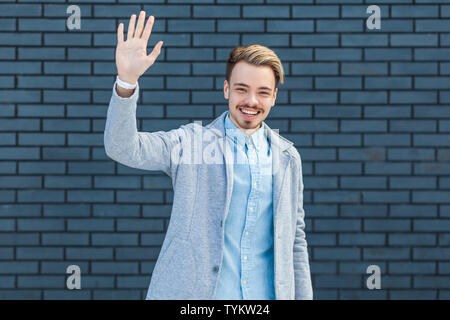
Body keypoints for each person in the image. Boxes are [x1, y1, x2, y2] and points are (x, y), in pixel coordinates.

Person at [104, 10, 313, 300]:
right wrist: (126, 82)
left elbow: (295, 240)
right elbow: (123, 147)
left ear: (274, 96)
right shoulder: (192, 143)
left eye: (263, 92)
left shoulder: (288, 157)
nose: (251, 101)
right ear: (226, 89)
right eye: (242, 89)